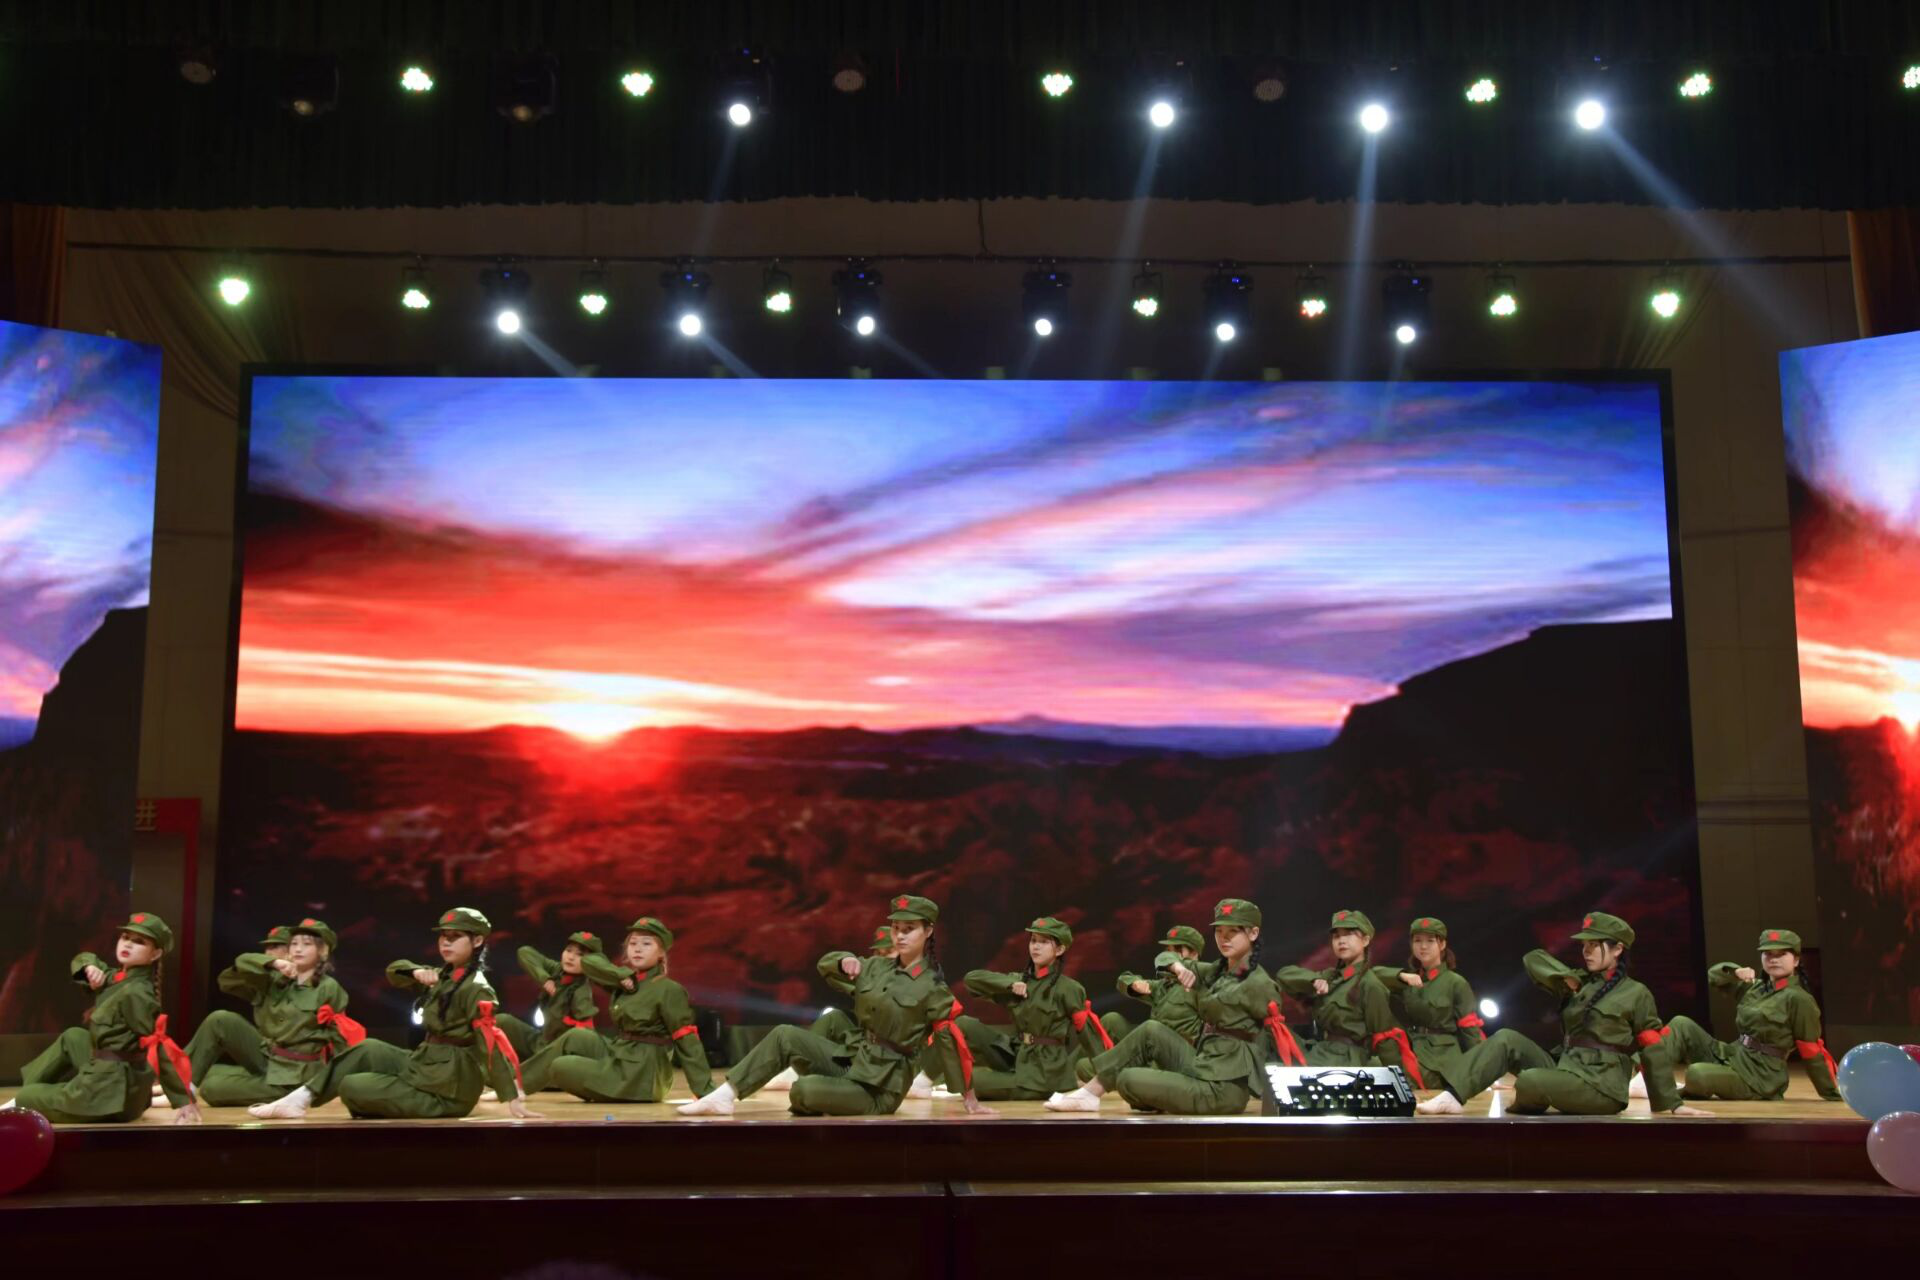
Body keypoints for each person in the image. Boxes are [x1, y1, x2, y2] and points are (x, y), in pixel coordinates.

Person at [678, 894, 991, 1117]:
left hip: (881, 1087)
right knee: (785, 1034)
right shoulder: (876, 967)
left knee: (804, 1091)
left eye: (909, 929)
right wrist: (844, 960)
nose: (900, 936)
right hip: (853, 1061)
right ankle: (724, 1096)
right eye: (896, 928)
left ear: (928, 931)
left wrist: (970, 1098)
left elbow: (952, 1043)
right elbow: (825, 967)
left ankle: (828, 1096)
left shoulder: (932, 987)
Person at [247, 906, 538, 1120]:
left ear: (477, 942)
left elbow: (491, 1043)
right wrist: (416, 971)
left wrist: (511, 1096)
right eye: (443, 936)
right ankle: (299, 1099)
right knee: (368, 1049)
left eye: (455, 936)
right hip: (425, 1066)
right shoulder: (444, 976)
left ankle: (309, 1099)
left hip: (447, 1090)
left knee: (352, 1087)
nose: (446, 942)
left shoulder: (477, 988)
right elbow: (394, 971)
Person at [1416, 911, 1710, 1117]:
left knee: (1531, 1081)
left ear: (1618, 949)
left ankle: (1536, 1099)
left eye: (1594, 945)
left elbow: (1653, 1048)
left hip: (1601, 1086)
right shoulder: (1579, 983)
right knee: (1505, 1038)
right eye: (1584, 945)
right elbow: (1532, 959)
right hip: (1567, 1068)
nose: (1586, 951)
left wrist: (1672, 1103)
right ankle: (1452, 1097)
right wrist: (1564, 978)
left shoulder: (1635, 993)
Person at [1044, 898, 1302, 1114]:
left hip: (1223, 1087)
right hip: (1202, 1065)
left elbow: (1278, 1036)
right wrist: (1178, 967)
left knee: (1128, 1078)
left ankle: (1102, 1094)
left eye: (1233, 931)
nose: (1224, 938)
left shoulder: (1258, 983)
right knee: (1150, 1030)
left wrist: (1291, 1091)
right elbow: (1164, 958)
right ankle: (1090, 1094)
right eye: (1219, 932)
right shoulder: (1216, 971)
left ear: (1253, 934)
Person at [4, 912, 200, 1125]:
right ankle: (34, 1093)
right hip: (116, 1080)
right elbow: (83, 958)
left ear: (155, 954)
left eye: (139, 942)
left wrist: (182, 1099)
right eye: (125, 937)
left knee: (28, 1096)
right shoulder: (119, 978)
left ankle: (25, 1099)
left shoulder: (136, 993)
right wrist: (89, 968)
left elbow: (158, 1046)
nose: (128, 944)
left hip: (109, 1095)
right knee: (73, 1037)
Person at [1631, 928, 1841, 1102]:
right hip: (1733, 1055)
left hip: (1760, 1075)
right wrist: (1735, 971)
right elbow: (1714, 977)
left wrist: (1832, 1093)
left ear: (1795, 960)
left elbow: (1811, 1049)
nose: (1774, 959)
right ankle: (1644, 1077)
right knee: (1681, 1024)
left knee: (1698, 1074)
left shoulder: (1799, 999)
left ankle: (1672, 1089)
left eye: (1781, 954)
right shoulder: (1755, 988)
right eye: (1768, 954)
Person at [517, 916, 713, 1102]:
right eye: (633, 944)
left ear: (661, 952)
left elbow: (687, 1041)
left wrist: (704, 1092)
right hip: (619, 1055)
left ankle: (518, 1087)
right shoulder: (625, 982)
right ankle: (515, 1087)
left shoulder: (669, 989)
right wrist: (619, 974)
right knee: (576, 1036)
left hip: (642, 1076)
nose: (638, 949)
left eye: (646, 944)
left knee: (560, 1066)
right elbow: (589, 962)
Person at [185, 917, 365, 1107]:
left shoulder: (329, 988)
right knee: (220, 1020)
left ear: (322, 951)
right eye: (294, 944)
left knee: (212, 1088)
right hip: (266, 1057)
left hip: (294, 1075)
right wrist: (273, 963)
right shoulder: (273, 978)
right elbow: (231, 975)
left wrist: (323, 1089)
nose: (298, 949)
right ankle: (183, 1089)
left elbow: (340, 1038)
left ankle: (284, 1093)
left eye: (306, 944)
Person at [959, 916, 1112, 1101]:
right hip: (1017, 1054)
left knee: (973, 1080)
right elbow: (971, 980)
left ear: (1060, 949)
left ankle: (1036, 1086)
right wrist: (1009, 984)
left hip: (1044, 1071)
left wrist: (1105, 1076)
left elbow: (1088, 1034)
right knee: (963, 1024)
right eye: (1033, 941)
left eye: (1044, 942)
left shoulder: (1069, 988)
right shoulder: (1019, 981)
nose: (1036, 947)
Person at [1276, 910, 1423, 1086]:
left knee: (1279, 1075)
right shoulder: (1331, 977)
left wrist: (1401, 1083)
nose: (1341, 940)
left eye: (1349, 934)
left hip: (1347, 1061)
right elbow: (1284, 975)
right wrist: (1313, 980)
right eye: (1336, 936)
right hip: (1322, 1051)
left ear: (1365, 940)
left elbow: (1384, 1037)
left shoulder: (1370, 984)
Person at [765, 924, 898, 1093]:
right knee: (833, 1017)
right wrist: (845, 961)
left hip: (895, 1051)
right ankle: (797, 1066)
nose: (882, 958)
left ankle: (912, 1079)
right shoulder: (869, 974)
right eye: (878, 953)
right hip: (866, 1042)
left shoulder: (916, 978)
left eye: (888, 953)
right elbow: (825, 966)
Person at [1378, 915, 1486, 1089]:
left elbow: (1470, 1030)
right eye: (1417, 941)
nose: (1423, 946)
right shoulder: (1409, 980)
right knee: (1375, 1067)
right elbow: (1371, 976)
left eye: (1430, 941)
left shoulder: (1455, 982)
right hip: (1412, 1047)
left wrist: (1484, 1071)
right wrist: (1401, 975)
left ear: (1442, 944)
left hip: (1440, 1058)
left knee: (1398, 1078)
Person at [497, 930, 603, 1062]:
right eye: (568, 950)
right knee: (501, 1021)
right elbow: (525, 953)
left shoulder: (581, 991)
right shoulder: (556, 970)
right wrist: (544, 979)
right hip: (540, 1041)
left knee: (526, 1071)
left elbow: (586, 1031)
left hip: (556, 1053)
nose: (571, 957)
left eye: (580, 955)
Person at [1102, 925, 1205, 1046]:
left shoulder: (1204, 983)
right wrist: (1134, 984)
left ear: (1194, 953)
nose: (1171, 955)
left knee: (1150, 1028)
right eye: (1168, 950)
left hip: (1178, 1050)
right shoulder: (1164, 985)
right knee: (1111, 1020)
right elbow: (1123, 980)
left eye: (1177, 950)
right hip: (1152, 1044)